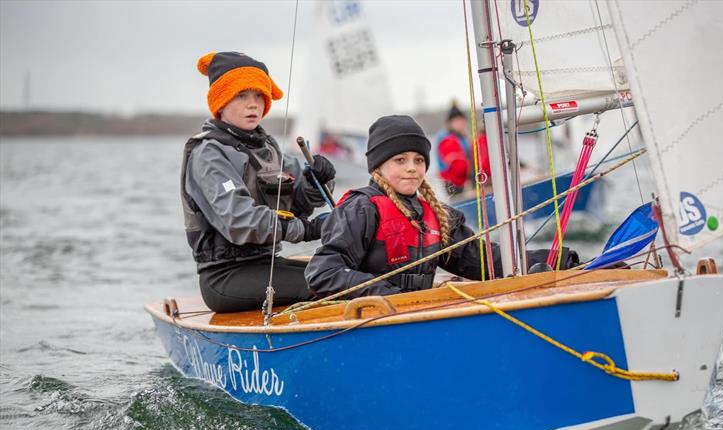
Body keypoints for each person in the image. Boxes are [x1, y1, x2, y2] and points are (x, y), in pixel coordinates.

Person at [305, 115, 579, 298]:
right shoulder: (362, 209)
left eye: (418, 160)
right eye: (400, 160)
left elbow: (484, 261)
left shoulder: (437, 215)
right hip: (371, 327)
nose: (412, 168)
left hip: (419, 319)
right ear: (378, 165)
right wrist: (389, 296)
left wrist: (557, 259)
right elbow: (322, 272)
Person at [181, 51, 335, 313]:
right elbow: (239, 221)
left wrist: (319, 180)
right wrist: (308, 230)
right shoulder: (207, 153)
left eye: (258, 96)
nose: (252, 104)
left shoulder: (267, 149)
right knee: (334, 282)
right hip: (225, 277)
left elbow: (299, 202)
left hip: (267, 265)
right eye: (241, 96)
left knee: (347, 271)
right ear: (220, 101)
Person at [434, 103, 472, 196]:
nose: (460, 123)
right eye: (456, 121)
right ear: (450, 123)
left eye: (461, 120)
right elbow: (455, 163)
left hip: (463, 179)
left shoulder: (462, 137)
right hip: (452, 180)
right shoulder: (447, 139)